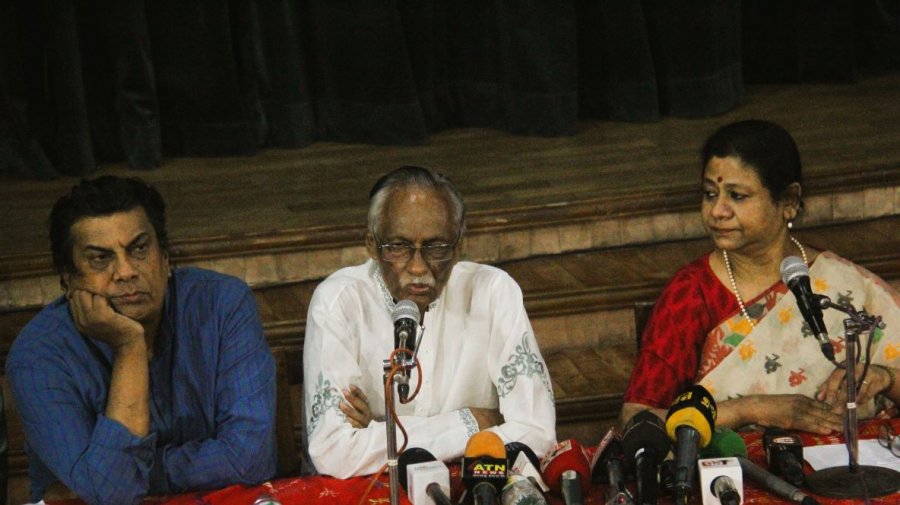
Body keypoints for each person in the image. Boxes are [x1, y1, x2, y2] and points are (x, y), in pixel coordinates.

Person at [7, 176, 277, 504]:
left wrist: (126, 474)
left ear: (165, 257)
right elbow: (115, 495)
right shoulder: (39, 355)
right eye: (100, 258)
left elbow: (249, 460)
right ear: (68, 278)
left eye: (139, 249)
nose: (125, 272)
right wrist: (129, 346)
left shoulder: (222, 305)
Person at [621, 120, 900, 434]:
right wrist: (750, 409)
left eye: (737, 196)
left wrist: (886, 378)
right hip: (735, 463)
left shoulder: (843, 284)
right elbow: (636, 418)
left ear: (789, 201)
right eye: (710, 194)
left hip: (852, 458)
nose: (717, 211)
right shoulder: (692, 293)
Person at [303, 166, 556, 478]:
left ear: (459, 246)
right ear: (371, 244)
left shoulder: (493, 292)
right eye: (398, 247)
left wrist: (381, 432)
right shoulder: (338, 302)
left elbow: (537, 433)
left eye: (436, 248)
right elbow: (334, 451)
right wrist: (473, 422)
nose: (418, 268)